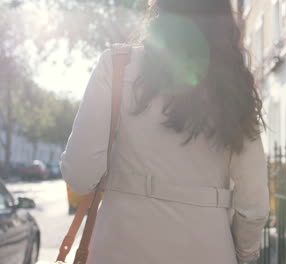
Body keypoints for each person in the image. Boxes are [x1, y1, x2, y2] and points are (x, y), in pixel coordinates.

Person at [59, 0, 270, 263]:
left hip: (119, 246)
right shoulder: (234, 86)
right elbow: (255, 205)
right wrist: (244, 254)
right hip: (207, 249)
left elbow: (79, 175)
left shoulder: (117, 65)